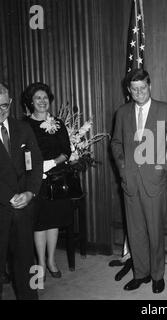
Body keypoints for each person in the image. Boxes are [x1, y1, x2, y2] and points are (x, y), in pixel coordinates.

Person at [111, 69, 167, 294]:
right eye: (134, 89)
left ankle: (157, 275)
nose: (139, 93)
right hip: (130, 182)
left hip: (155, 182)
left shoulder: (165, 109)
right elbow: (116, 143)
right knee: (135, 231)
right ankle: (140, 273)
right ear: (129, 90)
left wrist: (161, 167)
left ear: (150, 86)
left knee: (155, 231)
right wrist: (122, 168)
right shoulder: (123, 112)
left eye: (142, 88)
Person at [22, 82, 73, 279]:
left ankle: (51, 260)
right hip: (34, 181)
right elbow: (22, 152)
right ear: (31, 102)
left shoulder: (58, 123)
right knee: (39, 223)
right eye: (37, 98)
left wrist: (51, 163)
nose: (42, 101)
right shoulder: (24, 125)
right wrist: (36, 168)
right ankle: (41, 263)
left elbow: (66, 151)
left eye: (45, 98)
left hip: (55, 179)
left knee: (53, 221)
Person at [0, 83, 43, 299]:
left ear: (11, 103)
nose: (0, 111)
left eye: (4, 106)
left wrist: (30, 193)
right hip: (1, 208)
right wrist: (7, 197)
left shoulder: (23, 129)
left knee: (26, 265)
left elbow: (36, 164)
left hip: (23, 209)